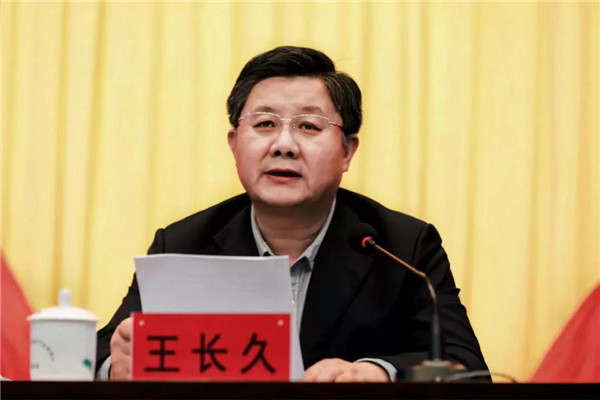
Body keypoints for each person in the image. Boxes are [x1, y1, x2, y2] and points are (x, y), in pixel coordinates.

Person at [96, 45, 487, 382]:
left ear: (347, 150)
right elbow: (103, 352)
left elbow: (465, 367)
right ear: (234, 144)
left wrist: (376, 373)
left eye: (308, 126)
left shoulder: (402, 247)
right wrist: (116, 367)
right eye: (265, 124)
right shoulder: (184, 243)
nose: (284, 144)